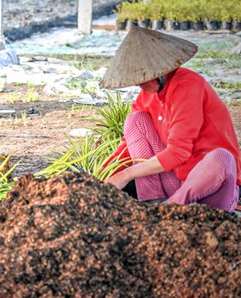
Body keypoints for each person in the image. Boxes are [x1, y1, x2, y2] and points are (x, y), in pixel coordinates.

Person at [102, 26, 240, 212]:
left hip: (210, 188)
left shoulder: (189, 86)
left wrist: (126, 175)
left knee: (222, 158)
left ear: (160, 72)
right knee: (135, 121)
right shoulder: (146, 96)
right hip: (176, 182)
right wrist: (101, 177)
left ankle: (169, 210)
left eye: (143, 78)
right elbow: (128, 147)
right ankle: (153, 203)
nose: (138, 84)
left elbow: (178, 152)